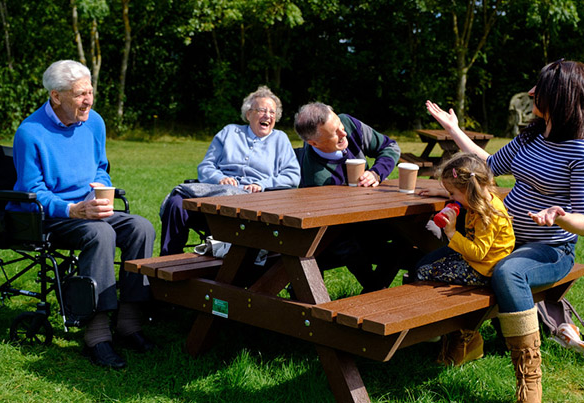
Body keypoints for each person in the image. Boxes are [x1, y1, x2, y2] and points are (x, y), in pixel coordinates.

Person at [425, 59, 584, 403]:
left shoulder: (582, 150)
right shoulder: (532, 136)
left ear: (561, 97)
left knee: (507, 273)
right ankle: (467, 338)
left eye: (540, 88)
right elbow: (488, 165)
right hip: (505, 240)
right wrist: (453, 130)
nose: (532, 92)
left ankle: (529, 378)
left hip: (550, 251)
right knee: (429, 265)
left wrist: (560, 216)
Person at [10, 60, 156, 369]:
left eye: (90, 92)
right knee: (101, 233)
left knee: (141, 227)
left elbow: (100, 168)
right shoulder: (30, 132)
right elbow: (32, 190)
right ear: (56, 96)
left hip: (89, 208)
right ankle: (97, 334)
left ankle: (129, 322)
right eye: (80, 94)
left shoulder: (95, 122)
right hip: (51, 217)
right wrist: (73, 210)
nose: (88, 100)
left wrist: (100, 190)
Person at [159, 85, 300, 256]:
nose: (267, 116)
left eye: (272, 113)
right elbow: (205, 167)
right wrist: (220, 178)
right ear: (249, 114)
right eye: (262, 110)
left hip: (252, 206)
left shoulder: (280, 139)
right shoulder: (229, 132)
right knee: (176, 202)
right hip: (216, 199)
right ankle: (169, 262)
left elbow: (292, 176)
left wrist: (262, 184)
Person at [293, 102, 405, 292]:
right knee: (350, 245)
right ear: (314, 143)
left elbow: (390, 147)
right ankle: (375, 291)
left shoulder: (348, 124)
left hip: (373, 216)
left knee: (408, 231)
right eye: (335, 133)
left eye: (340, 127)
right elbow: (330, 226)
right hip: (337, 232)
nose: (343, 134)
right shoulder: (316, 176)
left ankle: (377, 292)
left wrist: (376, 173)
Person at [415, 152, 515, 366]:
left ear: (468, 191)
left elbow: (478, 252)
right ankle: (441, 328)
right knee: (423, 264)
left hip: (483, 269)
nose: (451, 198)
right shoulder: (480, 201)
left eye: (452, 193)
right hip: (480, 262)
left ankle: (453, 331)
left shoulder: (487, 214)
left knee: (422, 272)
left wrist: (451, 232)